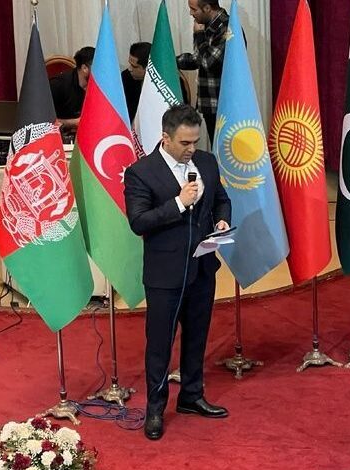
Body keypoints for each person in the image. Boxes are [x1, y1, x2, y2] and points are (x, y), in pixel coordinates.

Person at [124, 104, 232, 440]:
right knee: (160, 344)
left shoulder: (206, 162)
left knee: (197, 336)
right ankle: (155, 409)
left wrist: (221, 220)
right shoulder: (141, 172)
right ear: (165, 138)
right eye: (185, 143)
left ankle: (191, 396)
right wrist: (179, 203)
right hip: (165, 275)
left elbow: (222, 199)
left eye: (195, 141)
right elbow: (139, 221)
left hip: (203, 267)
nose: (191, 149)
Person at [177, 0, 228, 145]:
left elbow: (208, 63)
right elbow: (198, 59)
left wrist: (199, 35)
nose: (191, 13)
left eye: (194, 9)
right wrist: (170, 61)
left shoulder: (226, 28)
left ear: (207, 8)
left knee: (224, 149)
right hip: (210, 102)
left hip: (223, 103)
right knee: (216, 147)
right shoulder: (207, 24)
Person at [49, 46, 94, 134]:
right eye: (98, 67)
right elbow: (43, 121)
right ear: (84, 68)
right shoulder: (59, 85)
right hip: (60, 136)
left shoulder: (99, 87)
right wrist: (73, 123)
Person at [121, 42, 151, 121]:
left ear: (147, 68)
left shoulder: (164, 84)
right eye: (130, 64)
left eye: (134, 66)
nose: (130, 69)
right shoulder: (125, 78)